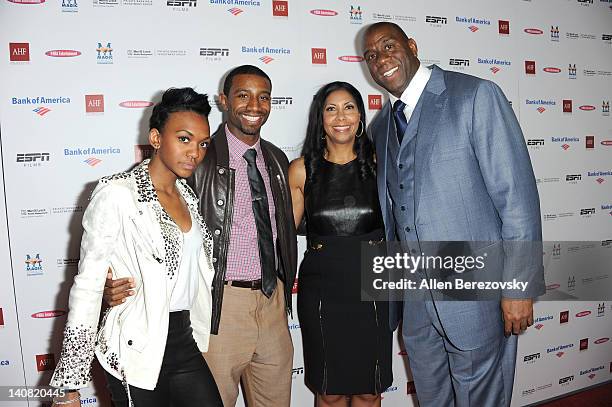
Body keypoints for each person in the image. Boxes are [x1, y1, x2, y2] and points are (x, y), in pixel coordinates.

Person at [362, 22, 545, 406]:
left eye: (389, 46)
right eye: (371, 56)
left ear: (412, 46)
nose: (381, 60)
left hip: (476, 295)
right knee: (432, 399)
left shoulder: (474, 95)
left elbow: (518, 199)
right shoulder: (382, 126)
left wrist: (518, 286)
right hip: (415, 302)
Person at [103, 65, 297, 407]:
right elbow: (142, 225)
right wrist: (109, 280)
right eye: (243, 95)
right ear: (224, 100)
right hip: (220, 306)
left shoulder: (278, 159)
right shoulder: (196, 159)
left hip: (272, 303)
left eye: (263, 96)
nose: (254, 105)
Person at [50, 87, 223, 407]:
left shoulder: (187, 196)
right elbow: (87, 288)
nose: (195, 152)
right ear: (156, 139)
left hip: (183, 341)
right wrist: (69, 383)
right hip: (134, 347)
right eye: (183, 139)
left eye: (202, 143)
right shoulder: (117, 195)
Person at [288, 81, 392, 407]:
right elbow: (283, 236)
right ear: (320, 118)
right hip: (323, 289)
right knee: (330, 391)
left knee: (368, 389)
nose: (340, 116)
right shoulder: (302, 170)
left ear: (360, 116)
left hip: (374, 282)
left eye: (348, 107)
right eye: (331, 109)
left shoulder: (381, 164)